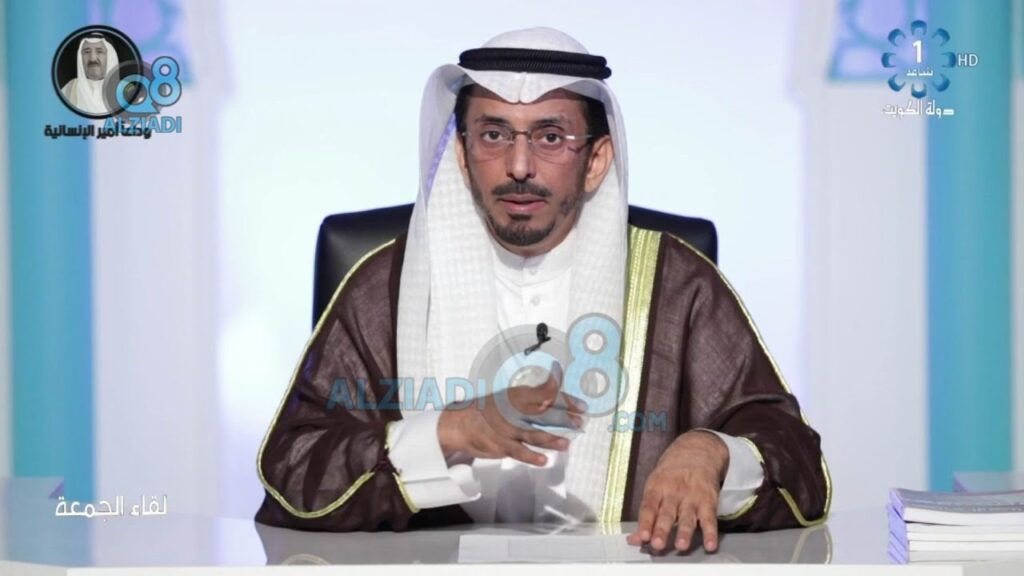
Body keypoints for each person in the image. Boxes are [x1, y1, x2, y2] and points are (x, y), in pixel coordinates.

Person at [255, 27, 830, 553]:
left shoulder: (676, 283)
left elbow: (799, 465)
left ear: (596, 160)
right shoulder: (386, 285)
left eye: (551, 137)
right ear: (462, 156)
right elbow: (293, 471)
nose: (519, 165)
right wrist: (449, 432)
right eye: (493, 135)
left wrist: (712, 452)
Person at [60, 34, 119, 115]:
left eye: (99, 51)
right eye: (87, 52)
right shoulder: (70, 89)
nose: (92, 58)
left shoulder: (125, 92)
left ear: (110, 57)